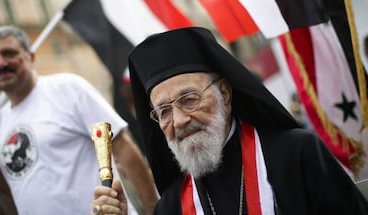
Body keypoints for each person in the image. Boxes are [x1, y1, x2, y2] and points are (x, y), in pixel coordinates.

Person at [91, 27, 368, 214]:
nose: (179, 120)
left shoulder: (298, 154)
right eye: (163, 111)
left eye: (189, 99)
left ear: (224, 92)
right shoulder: (171, 206)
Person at [0, 25, 158, 215]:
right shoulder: (0, 122)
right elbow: (19, 191)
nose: (1, 63)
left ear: (31, 56)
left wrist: (153, 209)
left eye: (9, 53)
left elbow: (122, 147)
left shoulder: (68, 88)